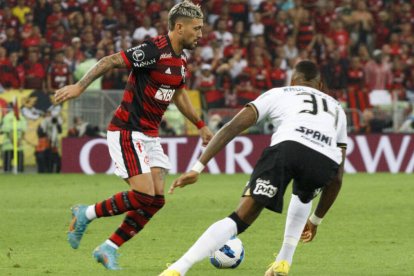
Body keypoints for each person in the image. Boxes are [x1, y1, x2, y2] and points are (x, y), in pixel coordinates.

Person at [54, 0, 212, 271]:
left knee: (156, 200)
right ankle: (86, 213)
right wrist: (80, 87)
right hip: (127, 131)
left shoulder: (181, 58)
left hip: (149, 136)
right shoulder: (153, 50)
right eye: (196, 29)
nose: (201, 34)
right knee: (142, 195)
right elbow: (110, 60)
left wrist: (200, 124)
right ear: (179, 27)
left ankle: (108, 247)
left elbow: (178, 93)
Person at [160, 60, 348, 276]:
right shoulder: (337, 110)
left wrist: (198, 167)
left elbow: (233, 127)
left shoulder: (281, 92)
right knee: (305, 195)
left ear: (292, 80)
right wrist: (316, 220)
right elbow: (338, 177)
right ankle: (283, 262)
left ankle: (178, 269)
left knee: (240, 218)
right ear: (321, 85)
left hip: (287, 147)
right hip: (324, 160)